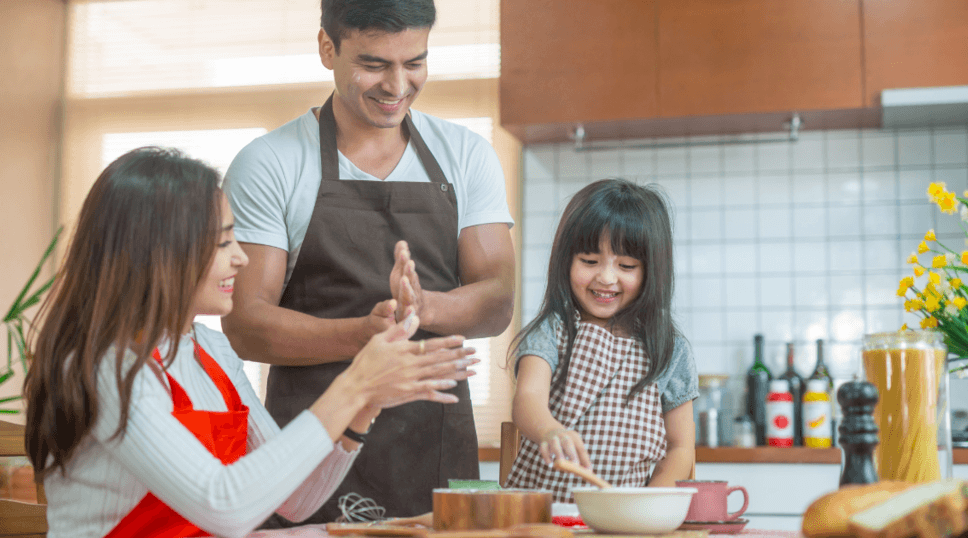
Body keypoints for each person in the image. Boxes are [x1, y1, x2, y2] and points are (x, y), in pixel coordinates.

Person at [23, 147, 477, 538]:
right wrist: (354, 384)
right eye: (222, 244)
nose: (240, 257)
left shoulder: (211, 351)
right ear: (159, 253)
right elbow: (225, 506)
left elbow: (296, 502)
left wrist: (365, 406)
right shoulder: (108, 365)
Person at [220, 0, 515, 523]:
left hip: (436, 446)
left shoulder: (466, 154)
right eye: (374, 64)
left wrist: (426, 306)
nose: (397, 86)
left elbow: (496, 301)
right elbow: (247, 324)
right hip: (310, 444)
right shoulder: (272, 162)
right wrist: (367, 335)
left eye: (415, 63)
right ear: (326, 48)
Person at [503, 179, 698, 503]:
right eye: (590, 261)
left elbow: (680, 447)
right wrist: (549, 430)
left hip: (624, 519)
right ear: (565, 260)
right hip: (541, 514)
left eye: (626, 266)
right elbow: (527, 400)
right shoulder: (552, 330)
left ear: (652, 271)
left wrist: (647, 507)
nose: (606, 278)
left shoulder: (668, 348)